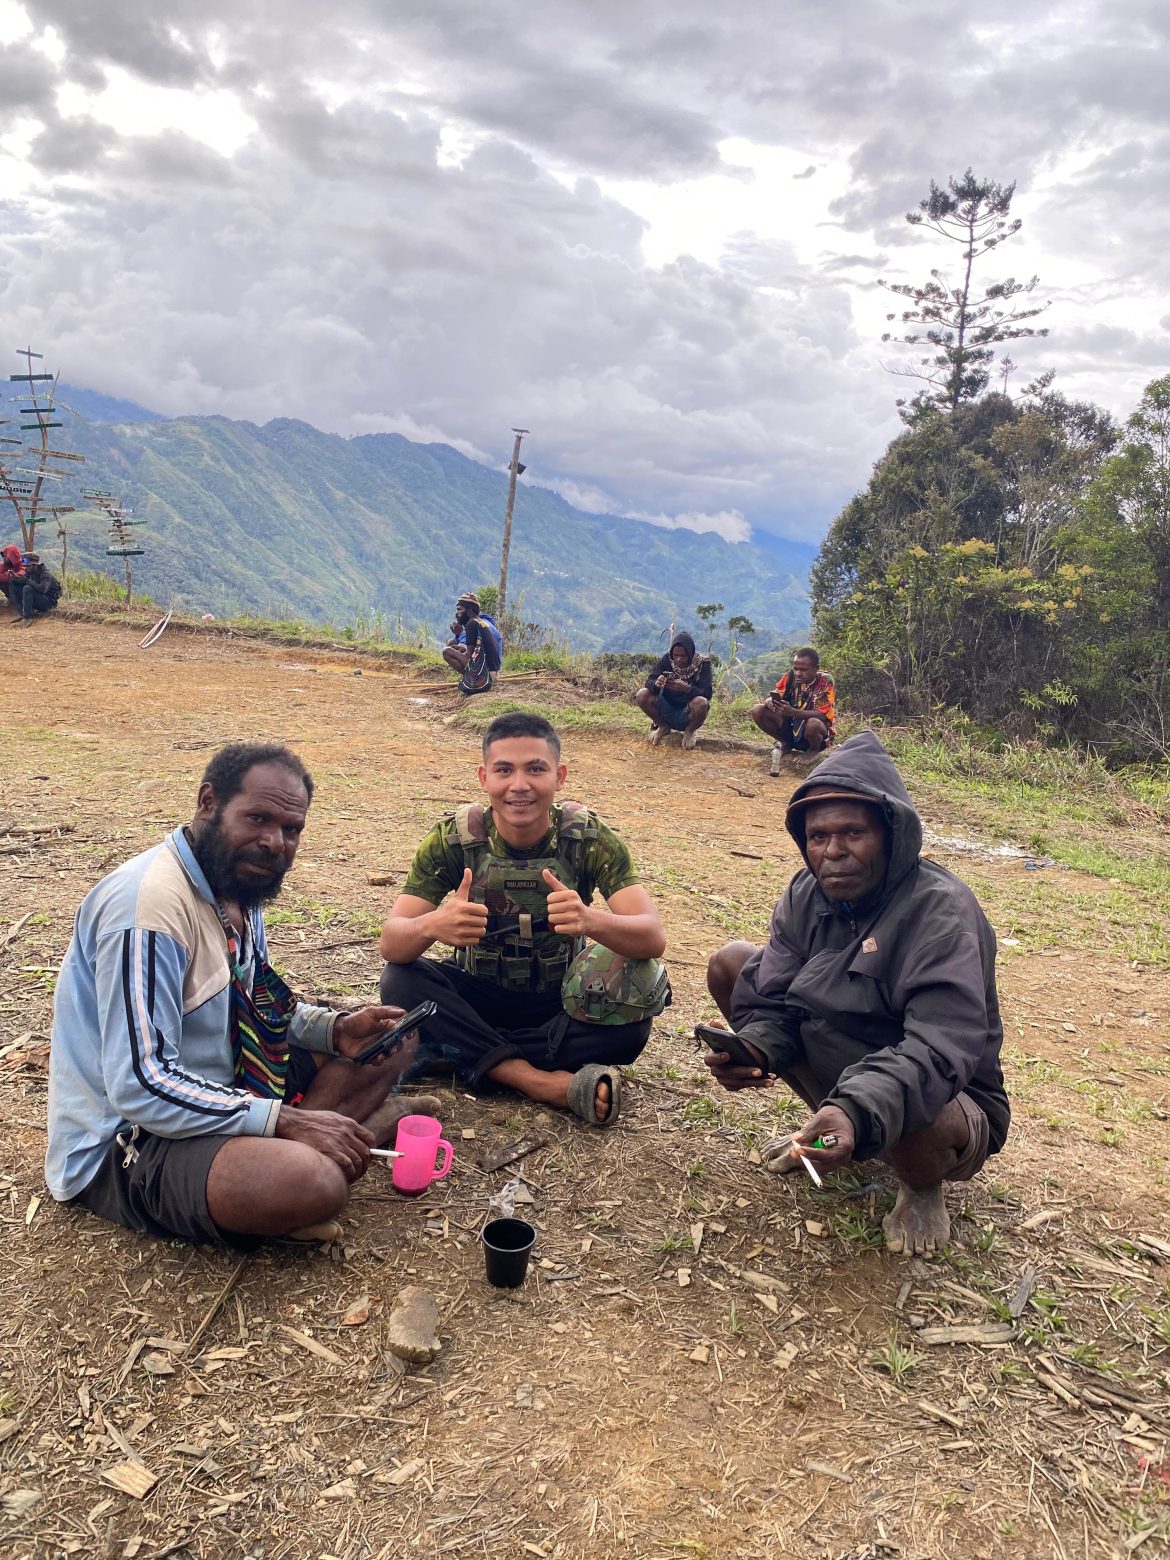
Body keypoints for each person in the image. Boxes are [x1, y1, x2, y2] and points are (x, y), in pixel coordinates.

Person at [46, 742, 438, 1248]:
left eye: (290, 829)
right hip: (130, 1137)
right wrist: (284, 1119)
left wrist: (336, 1030)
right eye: (257, 818)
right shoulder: (147, 912)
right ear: (209, 803)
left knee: (391, 1041)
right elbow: (140, 1085)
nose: (275, 842)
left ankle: (327, 1140)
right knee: (310, 1182)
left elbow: (258, 1003)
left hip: (228, 1082)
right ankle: (344, 1138)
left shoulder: (236, 885)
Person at [703, 730, 1009, 1257]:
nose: (833, 853)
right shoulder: (807, 892)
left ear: (891, 835)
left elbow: (938, 1051)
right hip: (846, 1055)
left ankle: (919, 1184)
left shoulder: (942, 913)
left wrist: (855, 1107)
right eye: (818, 837)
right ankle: (834, 1127)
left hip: (951, 1096)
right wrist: (755, 1049)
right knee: (733, 964)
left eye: (853, 834)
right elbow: (773, 996)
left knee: (917, 1099)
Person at [379, 712, 670, 1127]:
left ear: (559, 775)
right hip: (476, 995)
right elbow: (392, 942)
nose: (519, 785)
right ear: (484, 777)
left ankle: (460, 1053)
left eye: (535, 769)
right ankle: (534, 1080)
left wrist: (589, 920)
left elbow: (651, 937)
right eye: (504, 770)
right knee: (399, 980)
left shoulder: (586, 839)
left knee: (631, 1029)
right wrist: (432, 926)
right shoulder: (454, 838)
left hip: (558, 1004)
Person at [750, 647, 835, 776]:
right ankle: (786, 742)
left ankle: (813, 750)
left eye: (803, 670)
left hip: (813, 733)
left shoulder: (825, 681)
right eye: (796, 669)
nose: (798, 673)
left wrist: (793, 712)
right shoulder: (791, 676)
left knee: (813, 723)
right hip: (791, 725)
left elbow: (823, 714)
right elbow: (777, 692)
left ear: (816, 668)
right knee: (758, 710)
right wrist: (770, 702)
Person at [635, 631, 712, 750]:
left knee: (701, 703)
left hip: (688, 713)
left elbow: (707, 694)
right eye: (675, 655)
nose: (679, 659)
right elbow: (649, 681)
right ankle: (663, 726)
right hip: (666, 708)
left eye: (683, 656)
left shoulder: (702, 664)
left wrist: (688, 689)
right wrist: (656, 684)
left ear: (690, 654)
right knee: (642, 694)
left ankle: (690, 731)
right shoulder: (667, 660)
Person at [442, 591, 503, 694]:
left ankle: (472, 680)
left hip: (485, 676)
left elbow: (468, 656)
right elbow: (476, 651)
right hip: (493, 672)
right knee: (457, 649)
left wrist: (454, 649)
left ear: (469, 610)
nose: (457, 613)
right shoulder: (481, 622)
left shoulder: (471, 624)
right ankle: (472, 678)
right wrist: (460, 648)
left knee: (446, 651)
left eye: (459, 609)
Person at [10, 552, 61, 627]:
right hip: (39, 599)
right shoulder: (31, 572)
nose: (26, 568)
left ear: (35, 565)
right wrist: (17, 579)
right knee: (14, 584)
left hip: (48, 603)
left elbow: (42, 589)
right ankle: (23, 613)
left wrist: (26, 581)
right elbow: (25, 581)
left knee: (28, 588)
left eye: (28, 566)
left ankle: (28, 617)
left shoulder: (46, 574)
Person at [0, 543, 27, 610]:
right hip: (11, 585)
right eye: (3, 556)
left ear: (12, 557)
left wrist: (11, 576)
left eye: (6, 556)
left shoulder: (24, 563)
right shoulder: (6, 564)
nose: (4, 558)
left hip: (23, 589)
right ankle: (10, 597)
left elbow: (22, 575)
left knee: (15, 581)